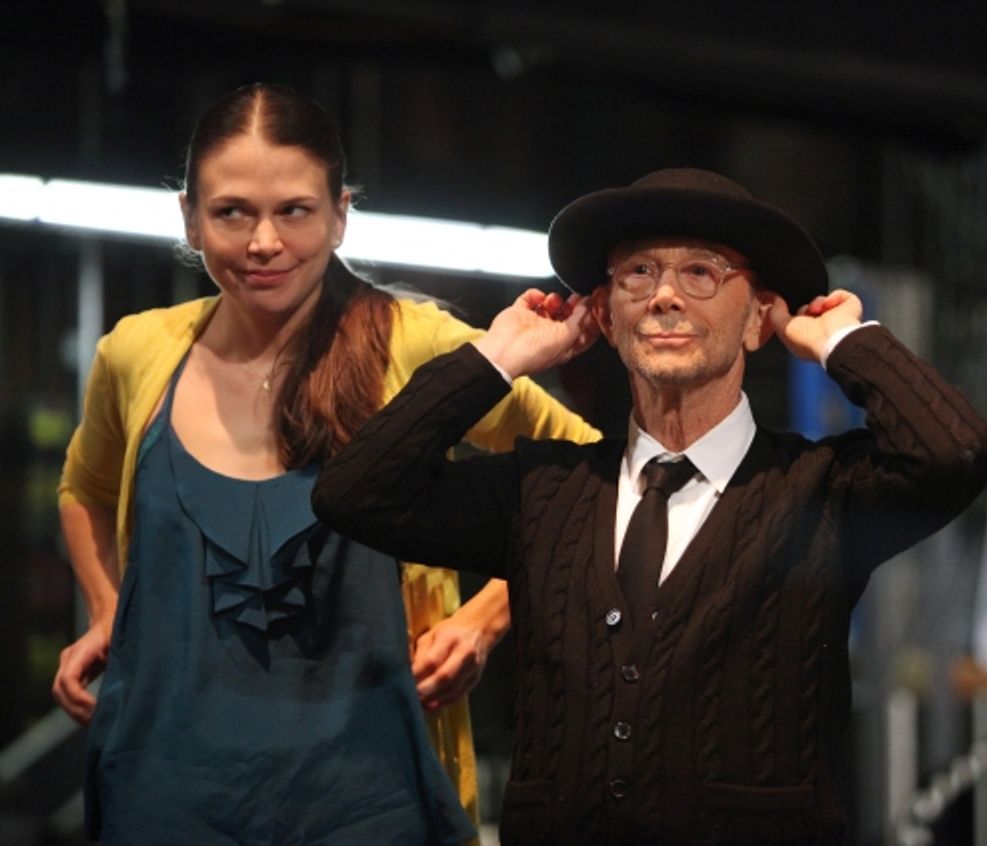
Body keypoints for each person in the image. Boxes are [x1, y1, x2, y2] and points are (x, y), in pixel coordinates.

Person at [313, 167, 987, 845]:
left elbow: (956, 453)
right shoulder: (545, 490)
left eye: (701, 272)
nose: (665, 295)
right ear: (607, 318)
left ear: (761, 315)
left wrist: (844, 345)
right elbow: (357, 492)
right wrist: (496, 358)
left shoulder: (820, 492)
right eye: (637, 274)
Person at [52, 82, 599, 845]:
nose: (263, 242)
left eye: (295, 211)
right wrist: (111, 608)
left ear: (341, 214)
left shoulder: (416, 345)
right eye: (232, 211)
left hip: (367, 797)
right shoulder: (138, 352)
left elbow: (595, 482)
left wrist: (484, 619)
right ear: (189, 217)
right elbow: (85, 487)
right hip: (162, 789)